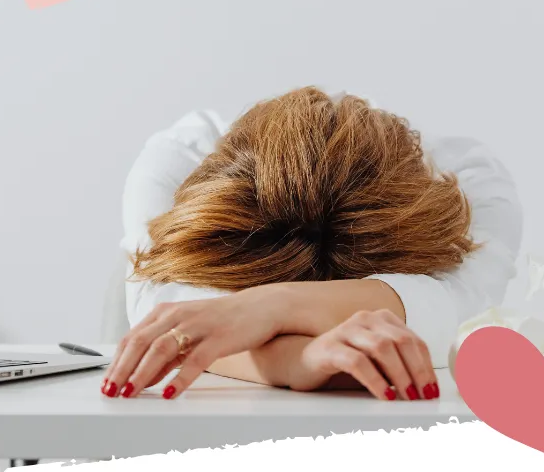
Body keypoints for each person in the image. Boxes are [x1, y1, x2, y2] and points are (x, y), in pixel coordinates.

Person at [102, 87, 522, 402]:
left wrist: (270, 306)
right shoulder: (181, 155)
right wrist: (297, 359)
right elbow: (174, 319)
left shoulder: (471, 182)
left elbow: (459, 309)